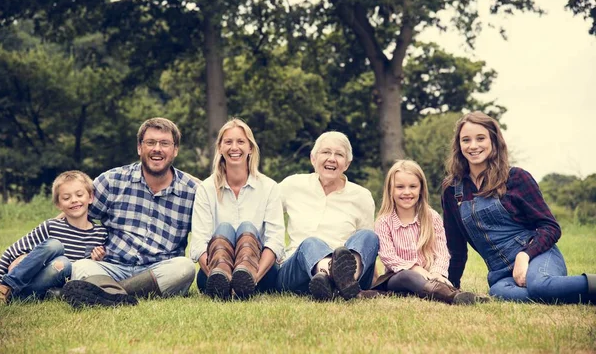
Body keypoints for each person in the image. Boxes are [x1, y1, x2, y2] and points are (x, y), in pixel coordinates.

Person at [441, 111, 595, 303]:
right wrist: (451, 287)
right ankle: (576, 294)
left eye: (480, 138)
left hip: (539, 256)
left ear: (493, 141)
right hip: (501, 274)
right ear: (459, 145)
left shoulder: (516, 178)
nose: (473, 146)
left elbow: (550, 227)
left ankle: (553, 288)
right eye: (466, 140)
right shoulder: (451, 190)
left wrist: (525, 255)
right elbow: (455, 247)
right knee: (500, 293)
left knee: (539, 285)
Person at [61, 117, 198, 307]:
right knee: (81, 266)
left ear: (175, 150)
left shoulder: (192, 191)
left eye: (164, 143)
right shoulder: (112, 180)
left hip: (157, 270)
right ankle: (121, 293)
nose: (157, 148)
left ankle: (108, 292)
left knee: (185, 268)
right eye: (150, 142)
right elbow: (73, 217)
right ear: (140, 148)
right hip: (113, 265)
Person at [275, 131, 380, 301]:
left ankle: (344, 281)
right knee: (311, 243)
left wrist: (375, 280)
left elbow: (365, 248)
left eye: (339, 154)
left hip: (351, 269)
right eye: (325, 152)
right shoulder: (292, 185)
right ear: (313, 158)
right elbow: (267, 218)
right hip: (297, 272)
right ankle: (334, 278)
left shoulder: (362, 196)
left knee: (369, 236)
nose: (332, 158)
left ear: (347, 163)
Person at [190, 119, 284, 299]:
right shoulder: (206, 188)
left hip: (261, 274)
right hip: (213, 272)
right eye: (228, 142)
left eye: (240, 142)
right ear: (220, 148)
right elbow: (199, 243)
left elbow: (275, 241)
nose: (234, 147)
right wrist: (217, 276)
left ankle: (244, 280)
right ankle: (223, 278)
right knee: (224, 228)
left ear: (250, 148)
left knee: (247, 228)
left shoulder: (269, 187)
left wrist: (252, 279)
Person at [372, 160, 486, 304]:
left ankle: (457, 295)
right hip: (397, 278)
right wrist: (415, 268)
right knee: (408, 276)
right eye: (400, 187)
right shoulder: (384, 222)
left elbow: (442, 253)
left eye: (413, 186)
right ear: (390, 190)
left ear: (421, 189)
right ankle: (452, 297)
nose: (407, 192)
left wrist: (436, 273)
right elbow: (388, 256)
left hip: (430, 275)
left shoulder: (432, 217)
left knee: (437, 279)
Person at [0, 171, 108, 304]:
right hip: (29, 278)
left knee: (64, 264)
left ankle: (15, 297)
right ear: (58, 205)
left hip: (49, 286)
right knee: (54, 245)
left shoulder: (100, 234)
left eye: (79, 195)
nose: (74, 200)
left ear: (90, 197)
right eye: (66, 198)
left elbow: (91, 270)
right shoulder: (51, 226)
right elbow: (11, 252)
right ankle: (4, 289)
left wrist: (98, 261)